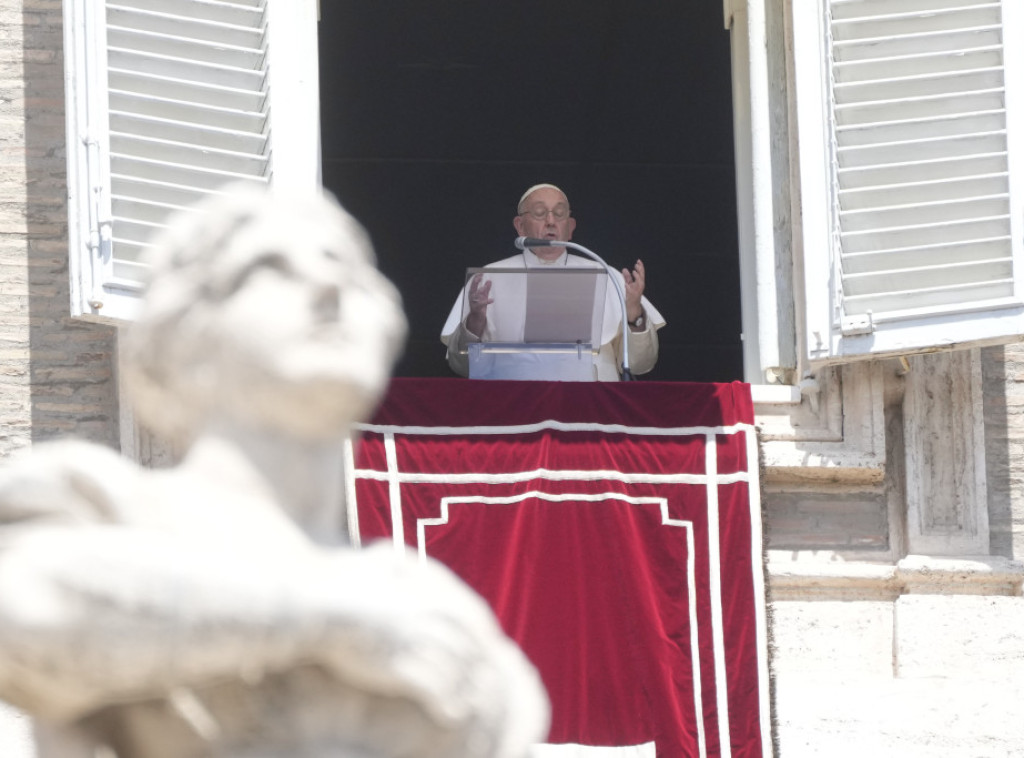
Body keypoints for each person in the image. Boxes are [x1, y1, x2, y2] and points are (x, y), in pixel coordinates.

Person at [0, 185, 549, 758]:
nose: (329, 287)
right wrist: (334, 617)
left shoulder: (443, 610)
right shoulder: (95, 512)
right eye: (269, 267)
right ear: (186, 336)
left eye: (350, 272)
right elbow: (27, 613)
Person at [441, 184, 665, 380]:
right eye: (539, 213)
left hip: (590, 407)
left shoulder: (607, 275)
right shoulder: (488, 278)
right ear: (520, 225)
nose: (550, 221)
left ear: (571, 227)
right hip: (512, 405)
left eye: (559, 214)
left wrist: (634, 314)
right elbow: (461, 367)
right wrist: (475, 320)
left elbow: (641, 365)